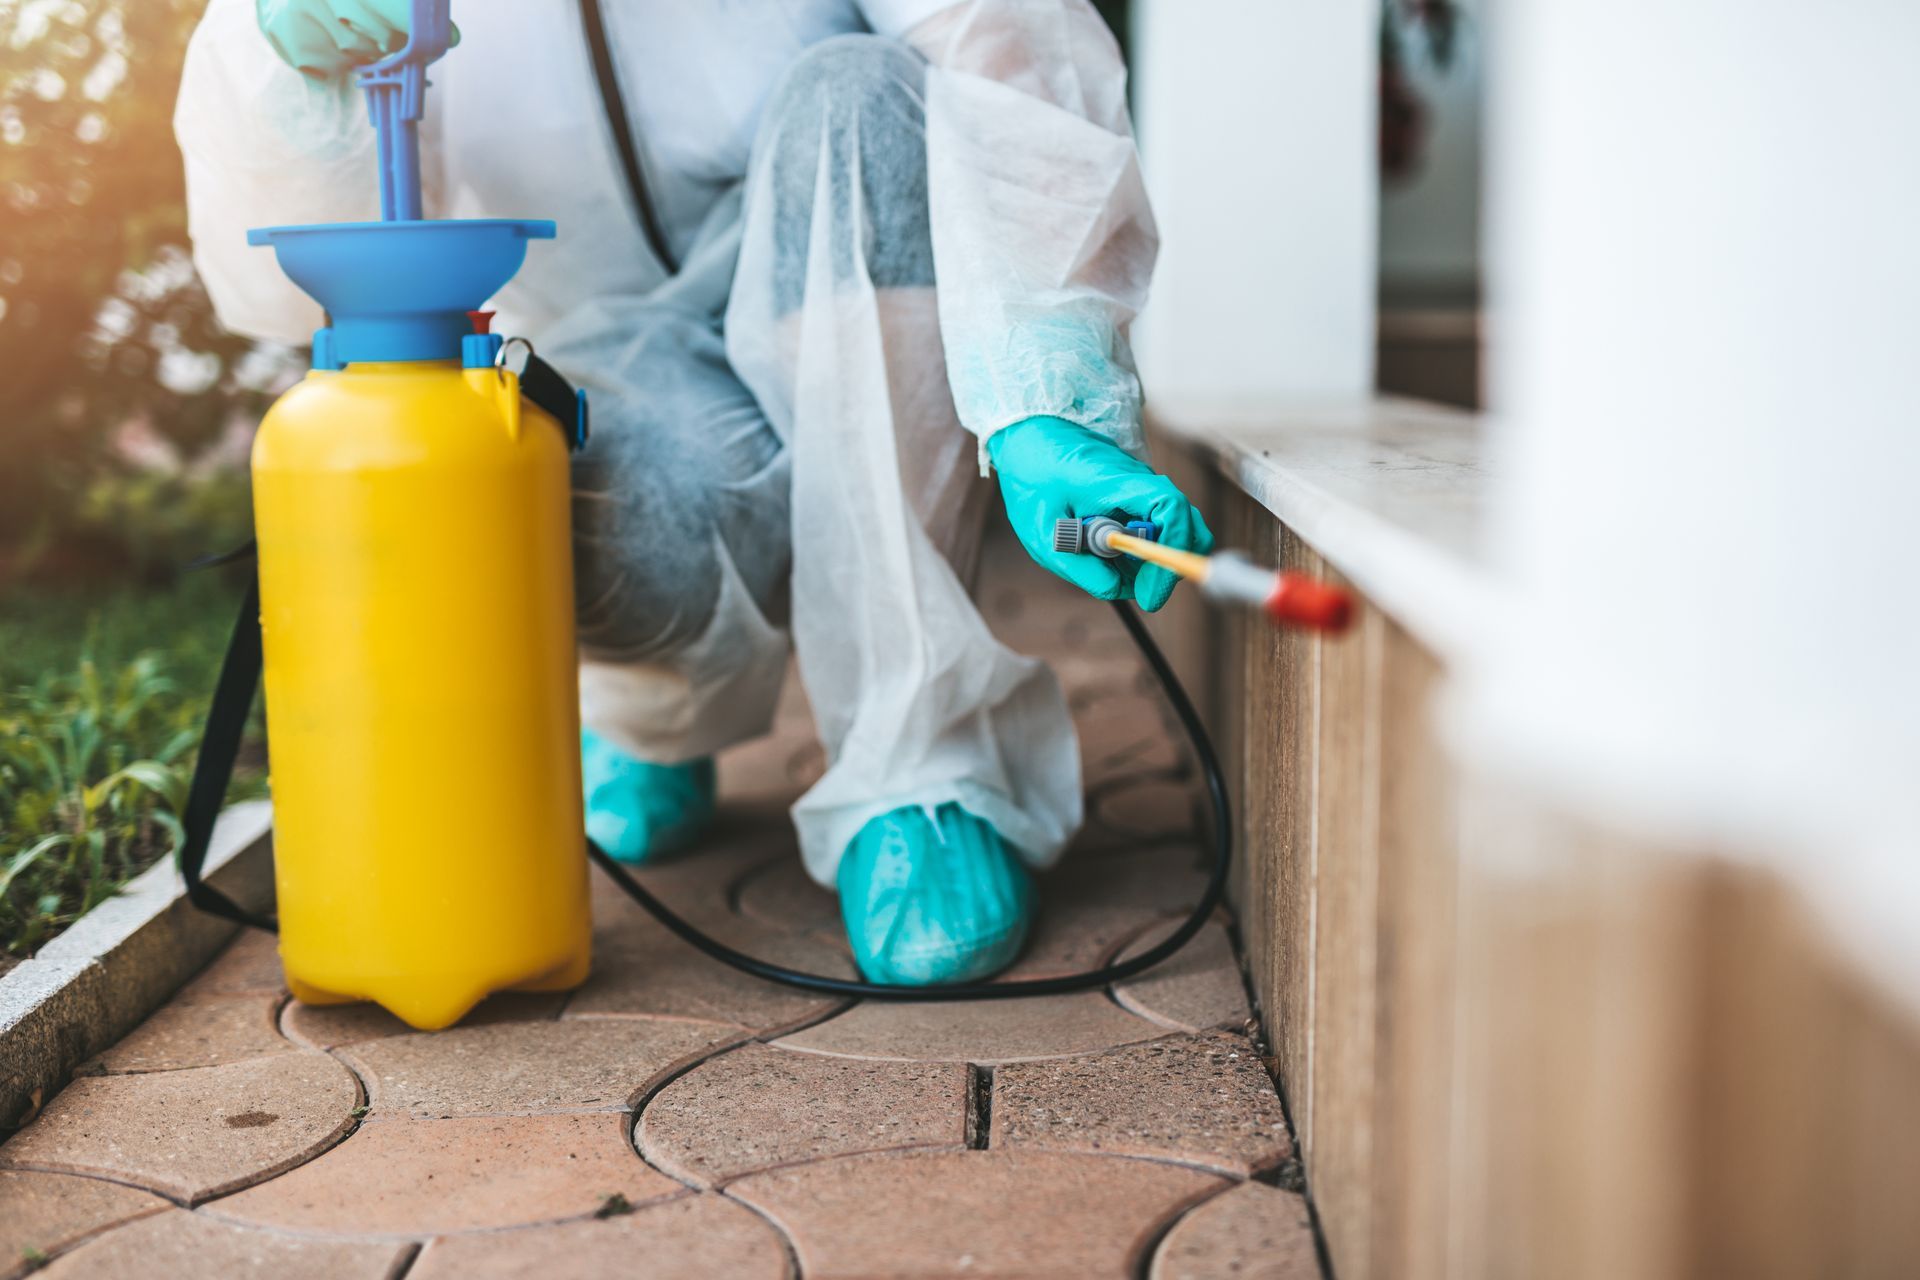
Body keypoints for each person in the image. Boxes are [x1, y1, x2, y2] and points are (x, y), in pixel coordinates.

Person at [174, 0, 1212, 986]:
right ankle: (647, 717)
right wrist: (291, 74)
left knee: (864, 91)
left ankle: (919, 765)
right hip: (611, 364)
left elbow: (1008, 53)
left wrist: (1046, 391)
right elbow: (274, 284)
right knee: (596, 515)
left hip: (853, 295)